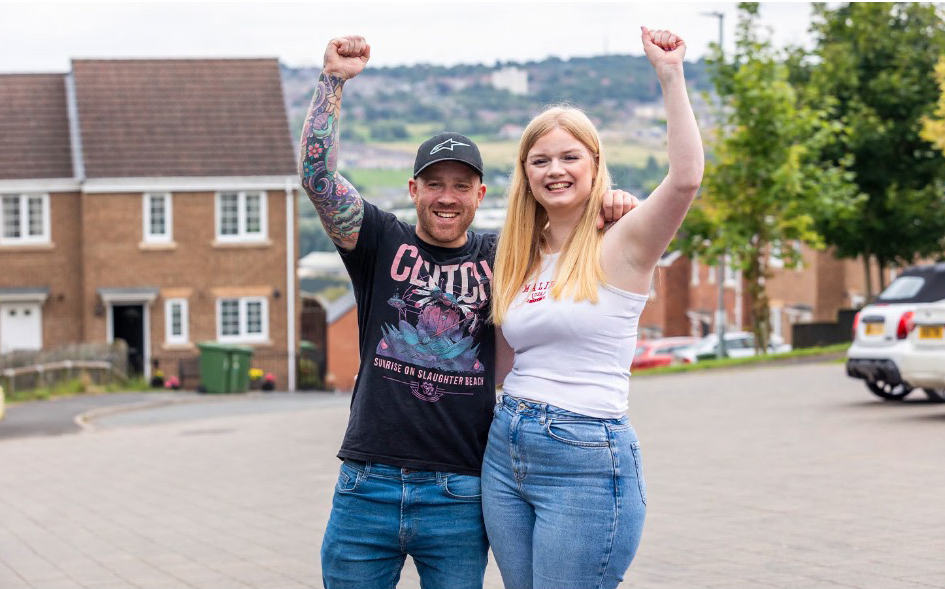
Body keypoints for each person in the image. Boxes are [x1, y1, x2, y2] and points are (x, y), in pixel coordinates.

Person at [299, 36, 639, 589]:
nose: (447, 196)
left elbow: (570, 220)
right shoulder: (379, 240)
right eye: (434, 183)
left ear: (480, 194)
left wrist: (614, 200)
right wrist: (333, 81)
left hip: (459, 492)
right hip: (368, 484)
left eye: (461, 185)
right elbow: (317, 180)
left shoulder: (508, 255)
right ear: (413, 189)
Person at [483, 26, 704, 589]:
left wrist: (670, 75)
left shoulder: (624, 243)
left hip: (583, 455)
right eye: (540, 161)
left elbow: (684, 181)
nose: (554, 169)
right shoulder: (520, 258)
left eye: (568, 157)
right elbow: (502, 364)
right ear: (525, 176)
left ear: (594, 162)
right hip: (506, 447)